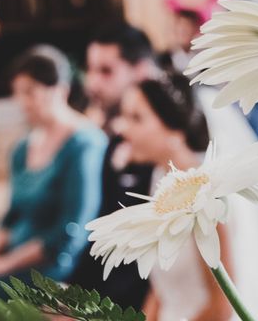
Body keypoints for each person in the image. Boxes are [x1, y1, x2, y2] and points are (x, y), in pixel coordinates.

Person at [119, 75, 258, 321]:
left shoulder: (210, 196)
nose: (121, 127)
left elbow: (222, 305)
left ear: (175, 131)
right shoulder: (162, 178)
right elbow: (162, 289)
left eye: (136, 118)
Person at [0, 45, 106, 301]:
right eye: (17, 93)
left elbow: (70, 231)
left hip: (48, 268)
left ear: (60, 89)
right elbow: (11, 217)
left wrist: (1, 265)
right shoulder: (22, 148)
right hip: (10, 258)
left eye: (30, 92)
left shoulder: (85, 143)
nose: (22, 103)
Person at [68, 23, 158, 310]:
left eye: (106, 71)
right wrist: (73, 295)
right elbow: (100, 229)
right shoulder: (112, 140)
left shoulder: (166, 149)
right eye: (90, 70)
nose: (92, 83)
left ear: (141, 70)